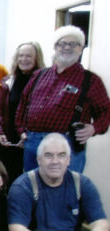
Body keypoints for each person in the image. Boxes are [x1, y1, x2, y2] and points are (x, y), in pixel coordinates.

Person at [15, 25, 110, 173]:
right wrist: (21, 130)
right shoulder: (39, 75)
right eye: (62, 43)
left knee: (65, 192)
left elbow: (105, 113)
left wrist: (93, 128)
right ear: (55, 47)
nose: (67, 47)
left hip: (67, 145)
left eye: (73, 44)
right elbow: (23, 105)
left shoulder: (90, 80)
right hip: (33, 144)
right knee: (32, 191)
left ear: (81, 48)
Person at [0, 42, 46, 185]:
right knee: (11, 181)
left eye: (29, 56)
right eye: (21, 55)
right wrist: (0, 132)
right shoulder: (9, 81)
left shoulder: (44, 81)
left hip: (33, 140)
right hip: (11, 143)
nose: (24, 59)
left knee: (34, 182)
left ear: (37, 58)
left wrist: (28, 135)